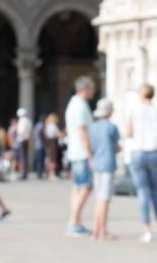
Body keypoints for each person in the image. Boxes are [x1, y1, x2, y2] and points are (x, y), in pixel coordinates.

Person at [124, 83, 157, 243]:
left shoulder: (134, 111)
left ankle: (146, 231)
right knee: (155, 192)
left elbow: (127, 132)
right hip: (156, 153)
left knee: (143, 193)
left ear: (140, 95)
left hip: (138, 152)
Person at [64, 76, 96, 237]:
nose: (94, 91)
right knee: (86, 187)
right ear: (85, 89)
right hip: (82, 153)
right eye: (92, 88)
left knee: (78, 188)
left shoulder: (74, 103)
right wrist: (90, 154)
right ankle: (73, 222)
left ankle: (75, 221)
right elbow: (82, 130)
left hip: (75, 152)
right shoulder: (80, 106)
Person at [88, 98, 121, 240]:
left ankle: (96, 230)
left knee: (98, 198)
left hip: (96, 163)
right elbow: (116, 146)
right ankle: (102, 231)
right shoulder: (112, 127)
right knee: (104, 199)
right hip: (108, 163)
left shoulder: (92, 127)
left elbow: (92, 146)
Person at [15, 108, 32, 180]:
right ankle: (25, 173)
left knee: (22, 157)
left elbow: (20, 132)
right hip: (27, 139)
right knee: (25, 157)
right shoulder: (28, 120)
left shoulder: (22, 121)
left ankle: (23, 173)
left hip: (22, 140)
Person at [44, 113, 61, 181]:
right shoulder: (53, 126)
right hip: (53, 143)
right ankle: (52, 174)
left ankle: (50, 173)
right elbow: (58, 134)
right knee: (53, 159)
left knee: (49, 158)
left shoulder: (47, 126)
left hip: (48, 143)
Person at [32, 114, 46, 179]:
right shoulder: (41, 125)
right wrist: (43, 141)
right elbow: (39, 134)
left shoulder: (36, 125)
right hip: (40, 145)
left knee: (39, 160)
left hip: (37, 145)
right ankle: (40, 173)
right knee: (40, 160)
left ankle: (39, 173)